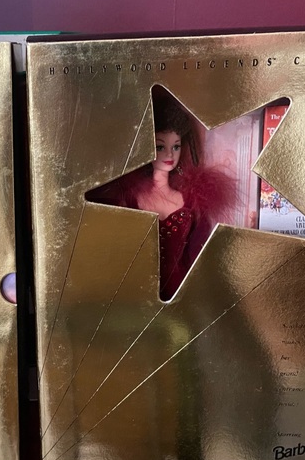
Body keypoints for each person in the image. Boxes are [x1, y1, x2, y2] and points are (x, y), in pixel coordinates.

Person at [87, 87, 234, 301]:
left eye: (176, 146)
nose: (170, 154)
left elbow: (199, 251)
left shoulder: (188, 201)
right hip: (135, 287)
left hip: (179, 288)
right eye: (160, 146)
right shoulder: (129, 197)